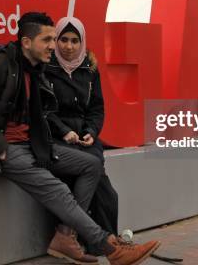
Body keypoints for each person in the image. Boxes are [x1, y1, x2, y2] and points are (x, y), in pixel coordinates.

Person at [0, 12, 160, 265]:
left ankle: (65, 236)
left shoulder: (36, 69)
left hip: (34, 145)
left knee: (92, 165)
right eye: (48, 40)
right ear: (26, 42)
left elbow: (50, 113)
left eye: (54, 39)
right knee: (59, 189)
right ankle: (112, 250)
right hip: (7, 149)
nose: (54, 46)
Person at [45, 16, 119, 254]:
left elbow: (96, 108)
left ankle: (103, 243)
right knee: (80, 184)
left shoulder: (89, 69)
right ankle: (97, 243)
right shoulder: (45, 68)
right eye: (63, 39)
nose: (69, 46)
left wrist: (91, 132)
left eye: (75, 41)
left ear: (82, 42)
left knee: (107, 195)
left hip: (85, 142)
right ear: (55, 40)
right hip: (57, 140)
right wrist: (64, 131)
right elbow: (43, 110)